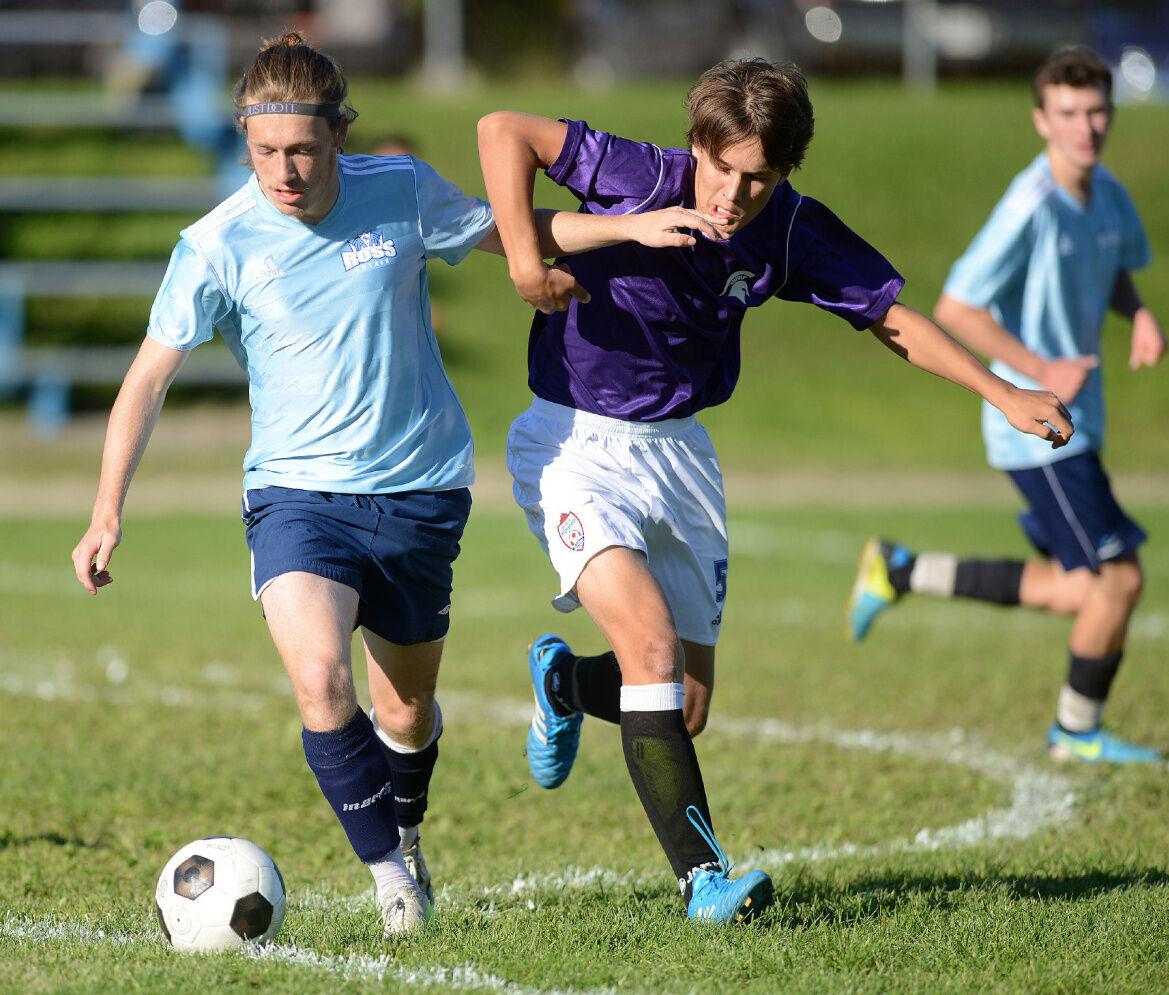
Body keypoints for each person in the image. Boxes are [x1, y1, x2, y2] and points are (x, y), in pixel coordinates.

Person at [70, 32, 721, 938]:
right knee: (319, 679)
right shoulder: (215, 244)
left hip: (420, 492)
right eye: (264, 153)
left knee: (405, 710)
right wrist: (106, 512)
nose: (284, 171)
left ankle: (404, 832)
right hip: (296, 496)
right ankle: (389, 876)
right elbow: (145, 379)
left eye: (302, 149)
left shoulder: (400, 192)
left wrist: (631, 227)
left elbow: (516, 233)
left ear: (341, 132)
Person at [477, 58, 1073, 925]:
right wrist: (528, 264)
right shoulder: (639, 174)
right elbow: (505, 130)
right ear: (697, 147)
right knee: (650, 652)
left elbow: (891, 317)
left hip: (680, 454)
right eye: (722, 168)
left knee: (685, 702)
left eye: (758, 178)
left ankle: (566, 685)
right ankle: (704, 881)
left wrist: (1005, 393)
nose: (730, 195)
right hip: (573, 443)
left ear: (785, 173)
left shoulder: (790, 231)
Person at [846, 48, 1168, 765]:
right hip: (1037, 426)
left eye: (1096, 111)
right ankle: (1076, 731)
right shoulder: (1030, 204)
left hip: (1077, 419)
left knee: (1073, 588)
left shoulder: (1107, 193)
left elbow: (1114, 270)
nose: (1086, 127)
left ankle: (898, 569)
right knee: (1120, 578)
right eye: (1068, 114)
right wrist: (1036, 369)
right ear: (1040, 120)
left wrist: (1139, 313)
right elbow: (959, 305)